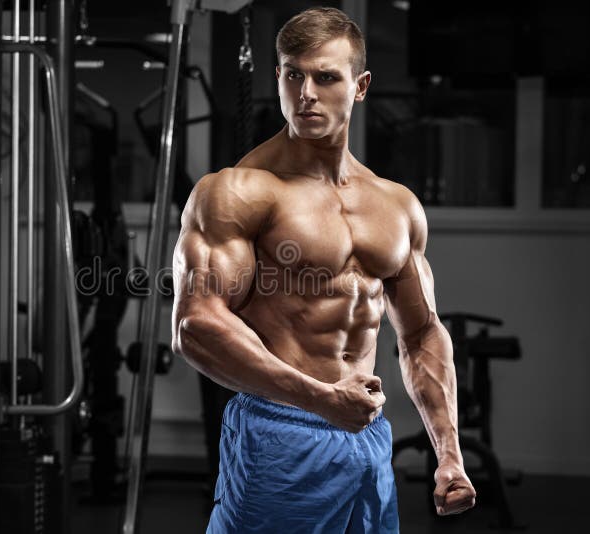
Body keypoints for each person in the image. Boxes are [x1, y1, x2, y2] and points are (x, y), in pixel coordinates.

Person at [171, 7, 476, 533]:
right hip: (282, 433)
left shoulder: (396, 205)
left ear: (360, 87)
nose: (306, 92)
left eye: (325, 77)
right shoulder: (238, 191)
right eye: (294, 74)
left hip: (367, 436)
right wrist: (320, 399)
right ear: (278, 77)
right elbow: (195, 325)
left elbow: (422, 333)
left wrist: (448, 452)